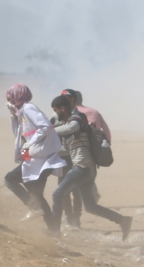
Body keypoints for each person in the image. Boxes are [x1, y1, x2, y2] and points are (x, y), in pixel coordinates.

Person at [49, 94, 132, 239]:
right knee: (90, 207)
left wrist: (48, 131)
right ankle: (123, 220)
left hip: (82, 168)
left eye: (56, 110)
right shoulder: (69, 124)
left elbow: (72, 128)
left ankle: (54, 231)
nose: (56, 114)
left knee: (57, 195)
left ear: (63, 108)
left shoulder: (77, 119)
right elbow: (68, 150)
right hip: (88, 170)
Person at [4, 84, 66, 230]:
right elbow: (19, 135)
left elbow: (44, 126)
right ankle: (54, 231)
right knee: (35, 192)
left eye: (10, 99)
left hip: (40, 155)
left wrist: (30, 143)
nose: (8, 102)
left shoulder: (28, 108)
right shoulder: (21, 112)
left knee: (10, 179)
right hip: (34, 155)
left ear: (17, 96)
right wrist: (13, 116)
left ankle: (33, 207)